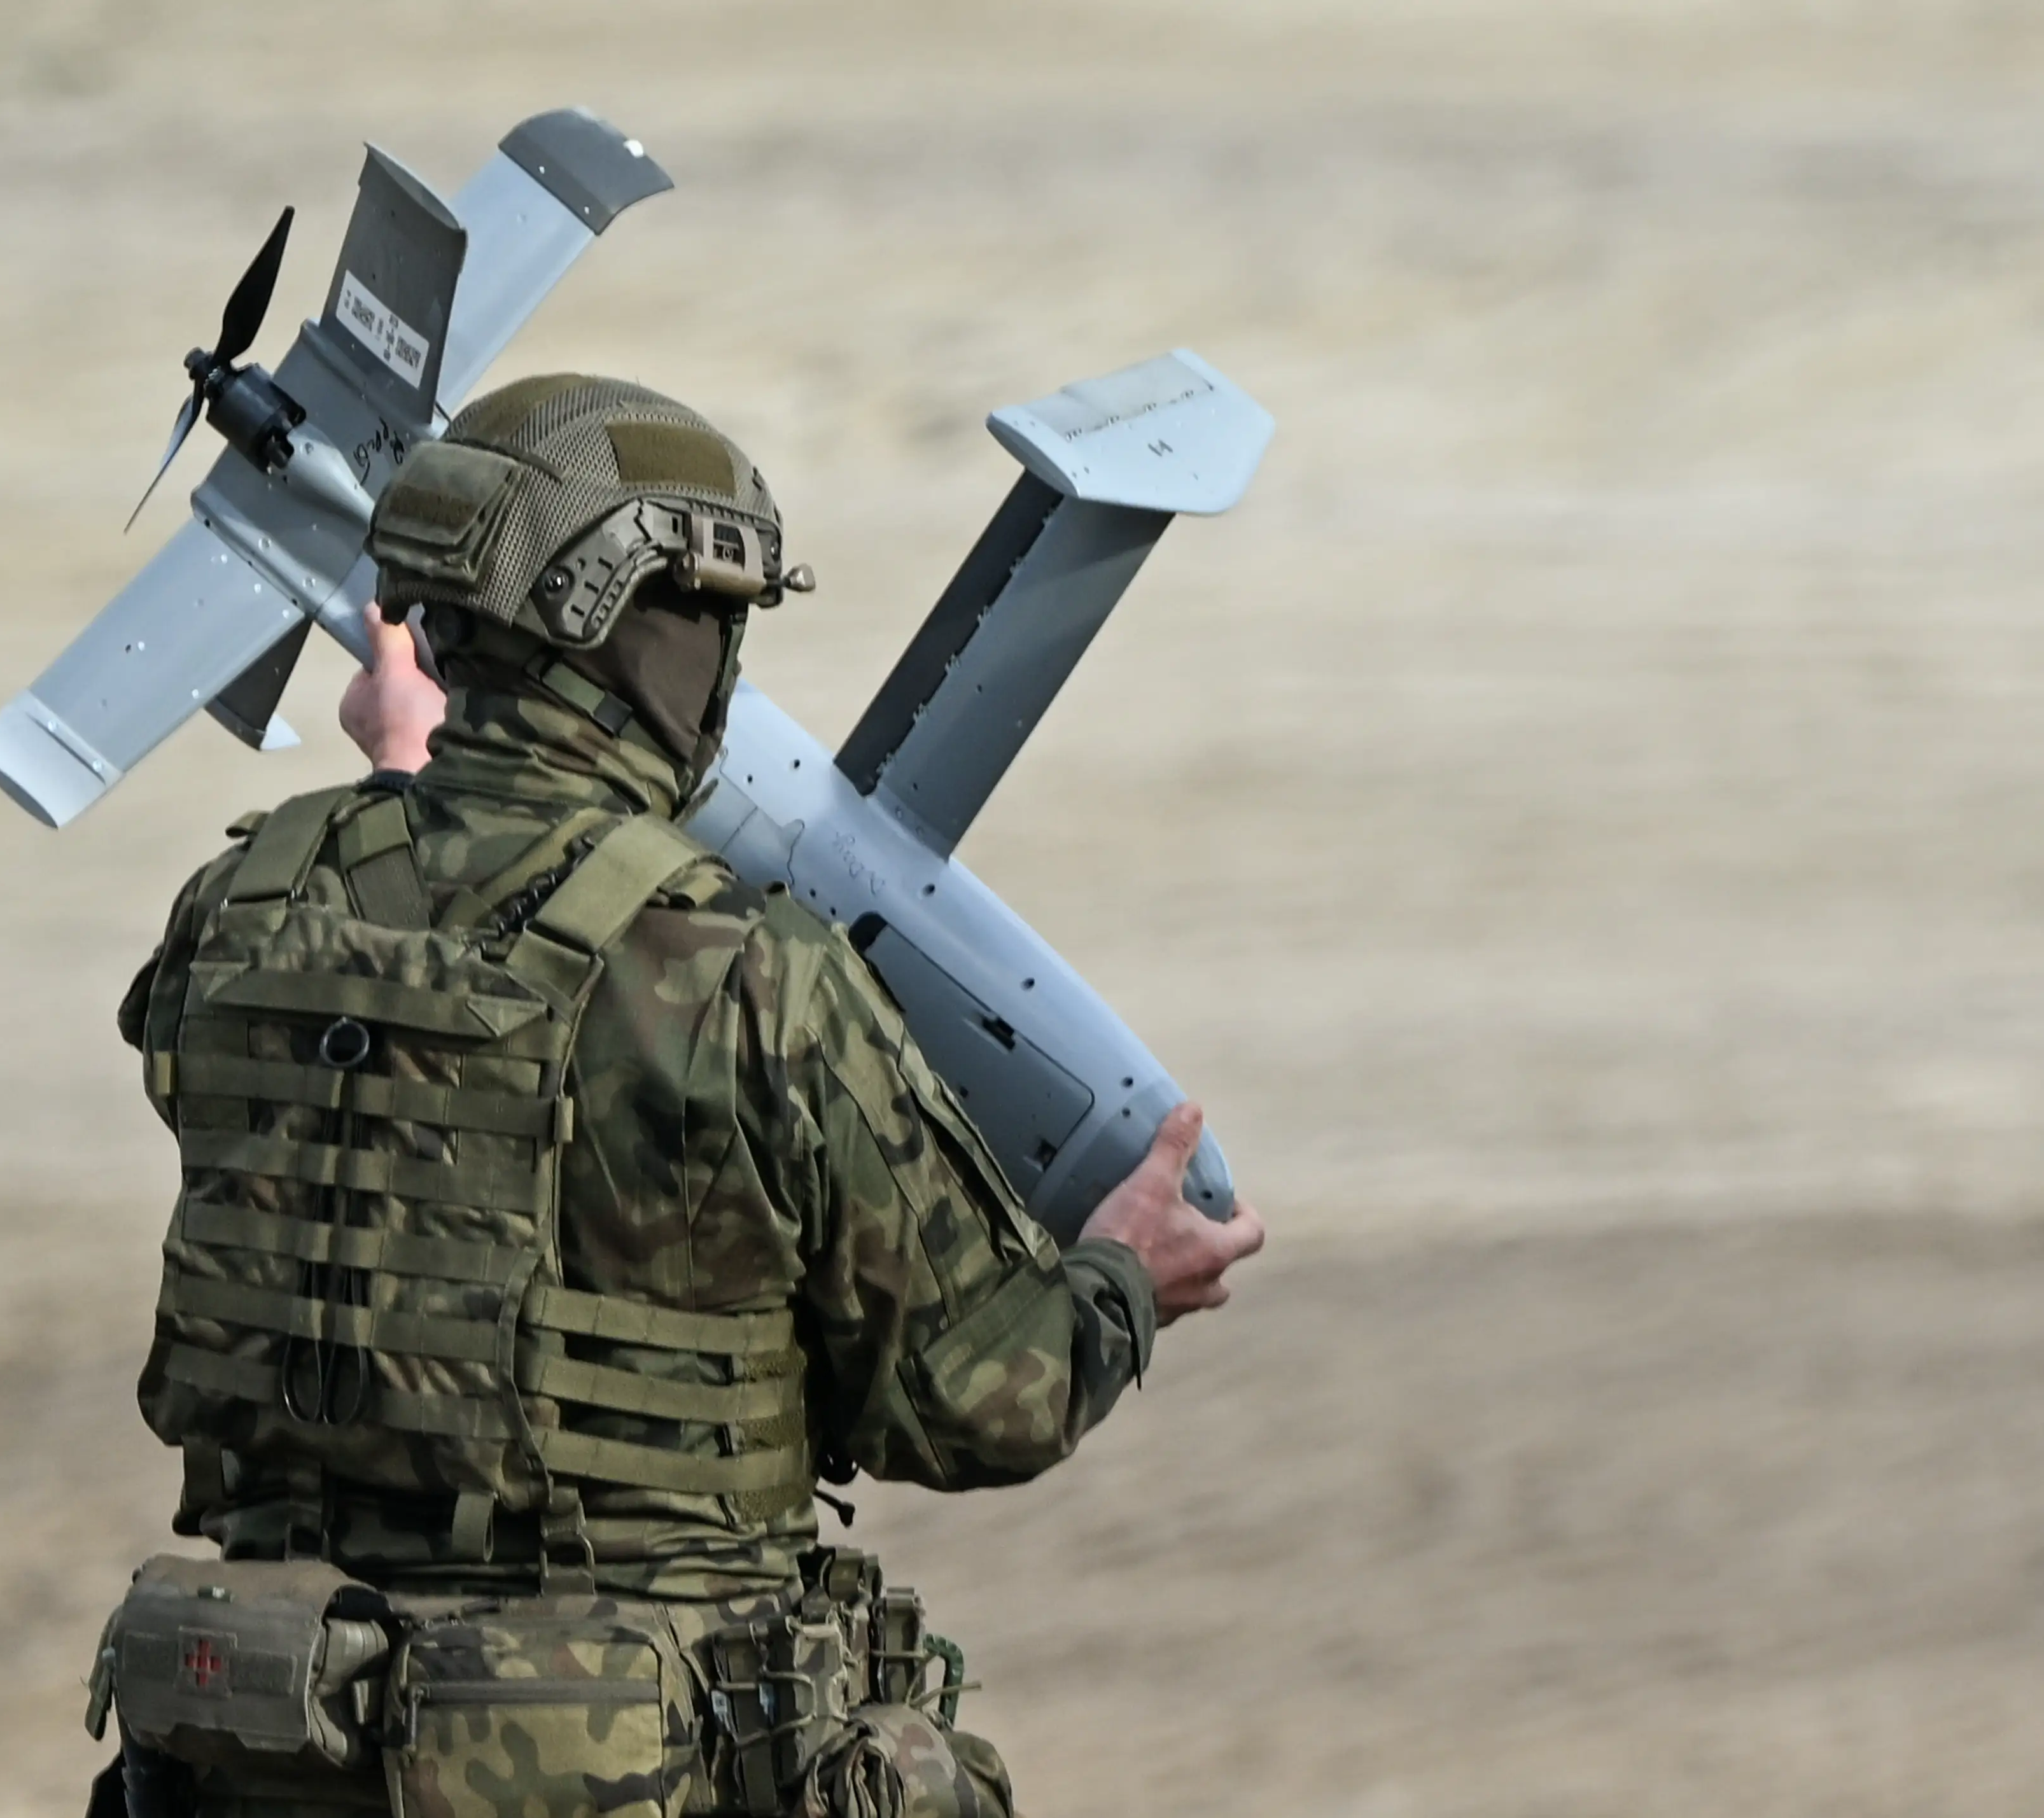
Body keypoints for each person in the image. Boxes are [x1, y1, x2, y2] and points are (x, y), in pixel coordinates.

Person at [95, 374, 1264, 1818]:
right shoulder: (754, 983)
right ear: (640, 636)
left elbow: (347, 1059)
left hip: (266, 1757)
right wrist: (1121, 1284)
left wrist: (403, 799)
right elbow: (970, 1399)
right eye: (712, 623)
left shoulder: (240, 910)